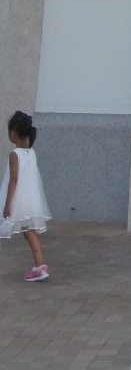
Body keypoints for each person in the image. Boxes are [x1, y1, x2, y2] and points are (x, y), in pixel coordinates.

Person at [0, 111, 51, 282]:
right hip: (31, 199)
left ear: (13, 133)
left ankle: (39, 267)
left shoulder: (14, 155)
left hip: (19, 200)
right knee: (29, 231)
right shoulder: (31, 152)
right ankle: (40, 266)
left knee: (27, 231)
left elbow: (13, 180)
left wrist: (8, 204)